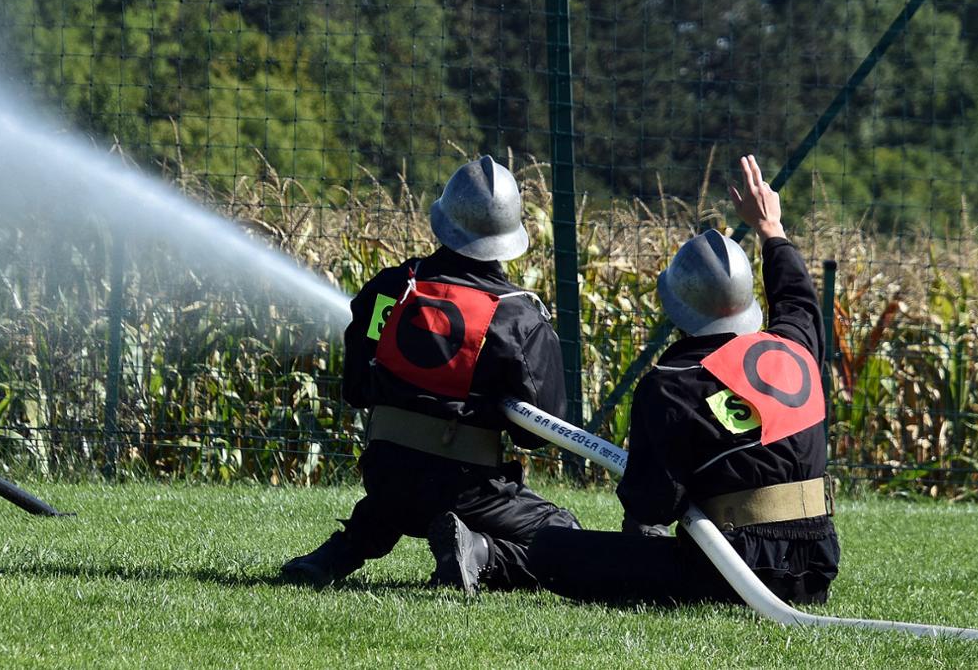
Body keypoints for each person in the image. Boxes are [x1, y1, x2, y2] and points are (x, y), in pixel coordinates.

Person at [457, 154, 838, 605]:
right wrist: (771, 228)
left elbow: (652, 504)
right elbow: (798, 298)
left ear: (677, 307)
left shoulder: (672, 385)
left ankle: (490, 555)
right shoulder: (795, 348)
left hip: (732, 573)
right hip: (816, 569)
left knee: (554, 548)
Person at [281, 155, 580, 593]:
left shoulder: (390, 290)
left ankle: (337, 554)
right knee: (567, 540)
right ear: (510, 236)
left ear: (443, 220)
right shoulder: (519, 317)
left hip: (385, 475)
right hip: (467, 491)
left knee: (399, 494)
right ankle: (480, 553)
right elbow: (536, 433)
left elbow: (357, 389)